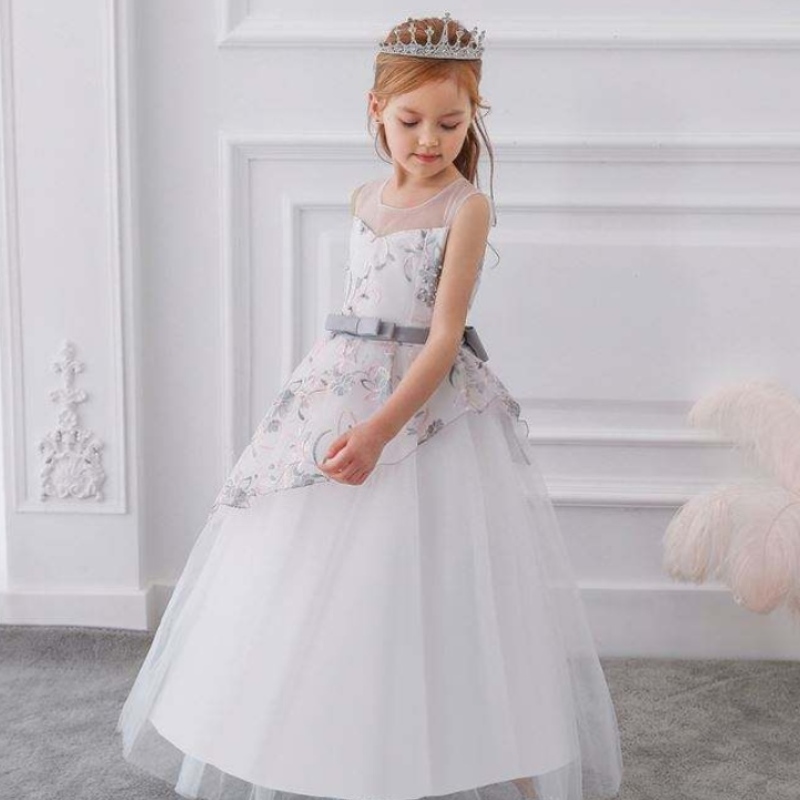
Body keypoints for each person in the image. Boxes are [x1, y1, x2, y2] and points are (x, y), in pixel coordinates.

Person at [116, 12, 623, 800]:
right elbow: (357, 314)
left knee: (451, 589)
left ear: (474, 117)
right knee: (310, 583)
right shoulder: (362, 197)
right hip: (338, 390)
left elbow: (444, 338)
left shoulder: (465, 207)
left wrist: (381, 430)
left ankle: (502, 760)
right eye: (411, 120)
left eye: (451, 123)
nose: (430, 140)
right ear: (376, 110)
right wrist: (333, 410)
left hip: (425, 412)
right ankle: (315, 746)